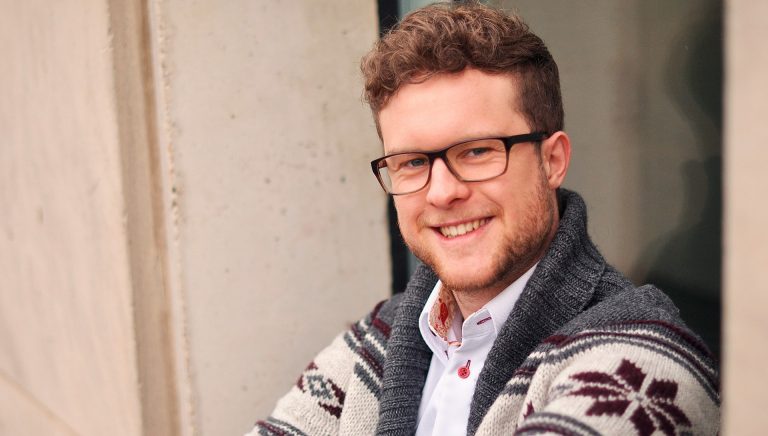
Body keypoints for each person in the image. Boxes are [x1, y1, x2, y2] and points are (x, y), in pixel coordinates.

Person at [248, 2, 719, 435]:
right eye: (412, 162)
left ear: (552, 160)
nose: (443, 192)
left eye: (476, 152)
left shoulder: (643, 371)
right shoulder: (375, 342)